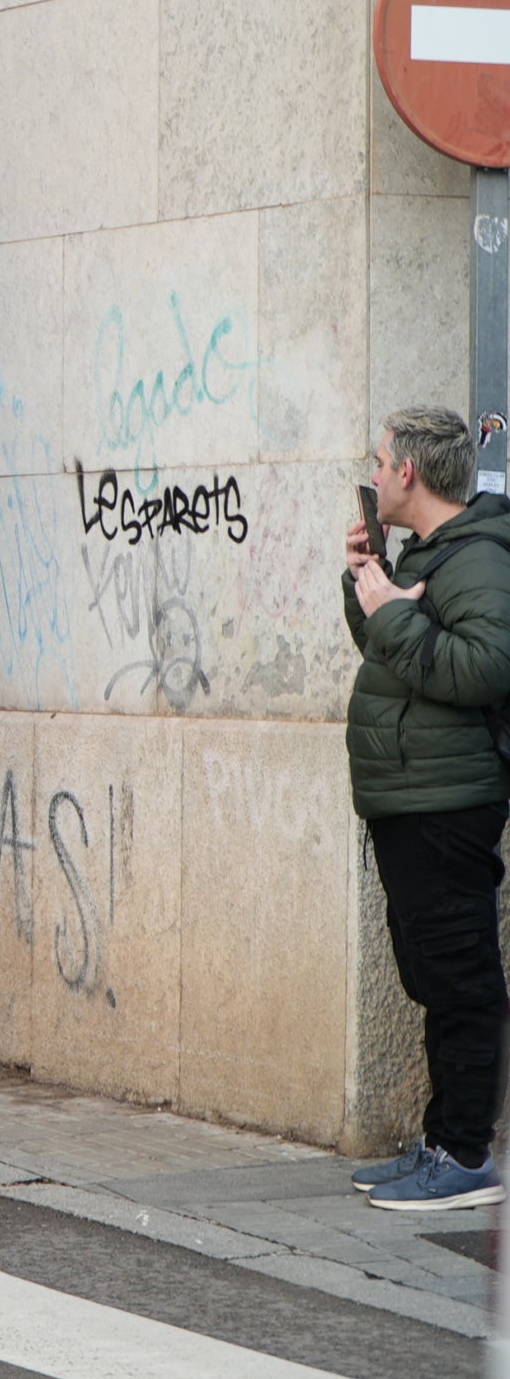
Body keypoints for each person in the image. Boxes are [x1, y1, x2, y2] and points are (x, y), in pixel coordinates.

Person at [342, 406, 510, 1211]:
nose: (372, 473)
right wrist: (366, 587)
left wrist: (394, 614)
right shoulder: (429, 552)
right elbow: (397, 651)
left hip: (447, 802)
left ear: (407, 472)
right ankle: (442, 1139)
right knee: (433, 976)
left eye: (379, 460)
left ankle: (466, 1155)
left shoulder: (477, 558)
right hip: (410, 800)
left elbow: (483, 669)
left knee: (462, 979)